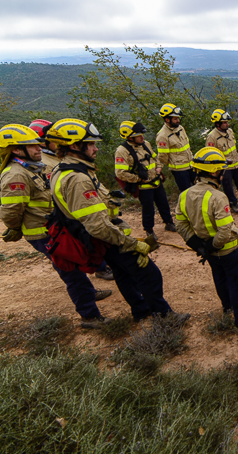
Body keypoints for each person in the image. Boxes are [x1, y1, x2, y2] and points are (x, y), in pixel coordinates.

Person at [46, 118, 189, 325]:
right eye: (91, 144)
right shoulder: (77, 178)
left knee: (123, 274)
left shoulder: (63, 169)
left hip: (97, 236)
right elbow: (97, 226)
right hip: (106, 237)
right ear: (75, 146)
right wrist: (131, 243)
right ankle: (164, 316)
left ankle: (140, 311)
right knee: (149, 274)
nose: (95, 149)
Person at [0, 124, 112, 327]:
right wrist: (15, 228)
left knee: (77, 264)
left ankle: (89, 294)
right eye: (33, 146)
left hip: (53, 227)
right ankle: (89, 316)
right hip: (42, 233)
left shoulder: (30, 167)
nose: (39, 149)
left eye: (39, 145)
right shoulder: (16, 175)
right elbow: (11, 211)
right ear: (17, 150)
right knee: (70, 271)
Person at [175, 147, 238, 328]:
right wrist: (214, 245)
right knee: (236, 280)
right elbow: (225, 230)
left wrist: (199, 246)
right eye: (221, 169)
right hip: (227, 249)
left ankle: (227, 307)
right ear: (213, 172)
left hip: (208, 250)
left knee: (219, 278)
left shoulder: (184, 196)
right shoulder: (218, 197)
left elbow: (181, 225)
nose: (223, 174)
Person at [30, 119, 116, 281]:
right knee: (75, 254)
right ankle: (96, 277)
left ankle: (101, 267)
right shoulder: (46, 163)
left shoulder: (66, 159)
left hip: (77, 211)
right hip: (61, 216)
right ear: (45, 144)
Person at [115, 121, 176, 239]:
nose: (142, 137)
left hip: (157, 182)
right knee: (148, 209)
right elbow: (120, 173)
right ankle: (149, 230)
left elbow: (155, 157)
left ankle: (169, 223)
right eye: (138, 135)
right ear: (129, 137)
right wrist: (138, 179)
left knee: (163, 203)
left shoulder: (145, 144)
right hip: (144, 186)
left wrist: (159, 167)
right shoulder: (122, 151)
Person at [206, 109, 238, 213]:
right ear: (217, 124)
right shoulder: (212, 137)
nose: (227, 124)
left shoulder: (230, 131)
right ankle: (233, 203)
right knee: (228, 186)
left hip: (236, 163)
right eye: (224, 122)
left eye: (227, 122)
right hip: (225, 167)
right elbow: (211, 154)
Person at [156, 103, 195, 193]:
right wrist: (174, 164)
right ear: (167, 119)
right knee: (187, 193)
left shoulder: (180, 128)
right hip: (179, 170)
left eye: (178, 118)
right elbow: (163, 156)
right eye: (175, 119)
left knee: (199, 189)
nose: (178, 120)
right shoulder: (162, 136)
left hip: (191, 165)